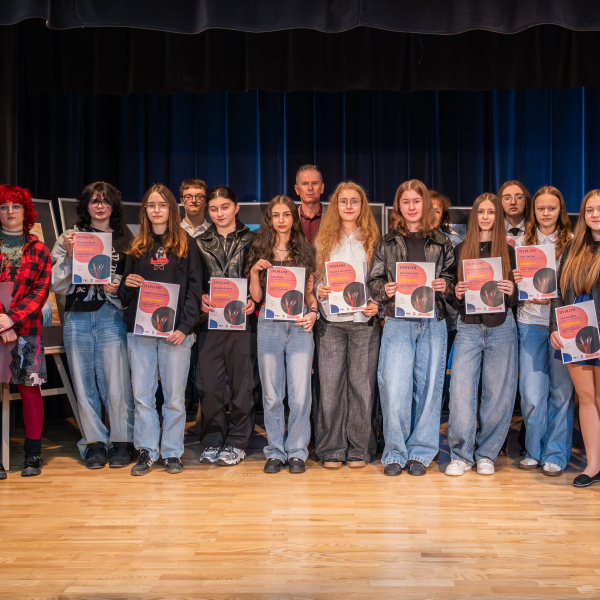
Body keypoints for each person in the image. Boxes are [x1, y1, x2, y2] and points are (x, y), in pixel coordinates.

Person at [366, 179, 455, 477]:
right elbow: (373, 281)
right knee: (394, 387)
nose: (412, 207)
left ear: (425, 204)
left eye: (417, 201)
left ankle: (421, 453)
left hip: (433, 322)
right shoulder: (387, 242)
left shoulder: (443, 243)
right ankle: (394, 452)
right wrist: (384, 289)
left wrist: (445, 285)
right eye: (406, 202)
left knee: (429, 389)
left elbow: (454, 282)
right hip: (397, 321)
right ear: (399, 206)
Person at [118, 184, 202, 476]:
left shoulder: (186, 245)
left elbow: (194, 291)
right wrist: (126, 285)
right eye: (151, 205)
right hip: (140, 333)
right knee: (143, 396)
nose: (156, 210)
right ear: (145, 210)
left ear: (172, 209)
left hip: (175, 334)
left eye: (162, 205)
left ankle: (172, 452)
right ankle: (147, 451)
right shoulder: (136, 245)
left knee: (174, 397)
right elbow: (124, 296)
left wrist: (185, 327)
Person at [51, 182, 135, 469]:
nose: (100, 206)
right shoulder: (70, 237)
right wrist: (70, 255)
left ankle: (122, 442)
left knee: (117, 383)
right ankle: (95, 443)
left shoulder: (126, 239)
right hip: (77, 317)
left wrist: (118, 285)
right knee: (84, 383)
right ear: (85, 205)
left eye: (106, 201)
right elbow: (56, 284)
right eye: (94, 201)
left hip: (111, 316)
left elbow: (134, 282)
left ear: (114, 206)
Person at [445, 193, 518, 476]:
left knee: (497, 393)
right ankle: (461, 455)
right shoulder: (461, 249)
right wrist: (457, 293)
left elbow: (516, 298)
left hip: (501, 327)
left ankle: (487, 453)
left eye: (491, 212)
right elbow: (454, 297)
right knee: (461, 391)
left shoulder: (509, 251)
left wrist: (512, 291)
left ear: (498, 217)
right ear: (474, 216)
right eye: (481, 212)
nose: (485, 217)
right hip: (469, 327)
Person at [246, 195, 318, 474]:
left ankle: (297, 451)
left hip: (300, 325)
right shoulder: (260, 249)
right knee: (272, 395)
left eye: (286, 214)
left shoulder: (305, 251)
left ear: (293, 218)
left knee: (300, 395)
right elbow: (257, 297)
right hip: (269, 324)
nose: (281, 220)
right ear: (269, 219)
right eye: (275, 215)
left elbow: (309, 295)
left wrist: (314, 312)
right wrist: (254, 272)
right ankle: (275, 451)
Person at [313, 181, 381, 468]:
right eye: (344, 201)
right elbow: (315, 279)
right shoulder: (324, 240)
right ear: (336, 205)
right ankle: (331, 448)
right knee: (330, 387)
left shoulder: (374, 240)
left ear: (362, 205)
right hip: (331, 323)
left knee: (362, 388)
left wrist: (376, 303)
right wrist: (319, 289)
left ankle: (360, 448)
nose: (349, 206)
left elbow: (380, 280)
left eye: (355, 201)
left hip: (364, 322)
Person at [512, 186, 574, 477]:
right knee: (532, 394)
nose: (546, 213)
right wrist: (516, 279)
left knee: (561, 392)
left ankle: (555, 455)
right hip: (530, 323)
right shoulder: (521, 243)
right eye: (541, 208)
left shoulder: (572, 242)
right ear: (533, 211)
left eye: (552, 208)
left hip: (563, 325)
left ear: (560, 211)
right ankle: (533, 451)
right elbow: (510, 289)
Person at [196, 186, 257, 466]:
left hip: (243, 322)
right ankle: (212, 440)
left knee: (243, 387)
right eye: (213, 209)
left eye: (225, 207)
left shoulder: (254, 240)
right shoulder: (198, 242)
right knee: (210, 387)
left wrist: (254, 300)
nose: (219, 213)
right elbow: (193, 281)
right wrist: (200, 297)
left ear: (236, 207)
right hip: (210, 323)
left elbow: (262, 280)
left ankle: (237, 442)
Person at [0, 185, 51, 479]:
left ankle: (32, 454)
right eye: (4, 206)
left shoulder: (40, 249)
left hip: (27, 327)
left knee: (30, 389)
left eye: (16, 206)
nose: (10, 211)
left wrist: (11, 320)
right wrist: (1, 321)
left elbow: (40, 292)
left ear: (26, 211)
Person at [550, 189, 600, 488]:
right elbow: (558, 290)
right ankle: (593, 465)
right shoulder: (573, 247)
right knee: (587, 398)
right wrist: (555, 328)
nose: (595, 214)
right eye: (590, 209)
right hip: (575, 332)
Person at [295, 165, 325, 245]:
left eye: (315, 183)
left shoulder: (334, 217)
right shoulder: (290, 219)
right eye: (305, 184)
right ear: (297, 189)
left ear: (322, 188)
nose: (310, 188)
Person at [499, 180, 532, 245]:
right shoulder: (493, 230)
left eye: (519, 197)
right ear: (500, 202)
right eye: (507, 198)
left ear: (526, 200)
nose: (513, 202)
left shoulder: (537, 229)